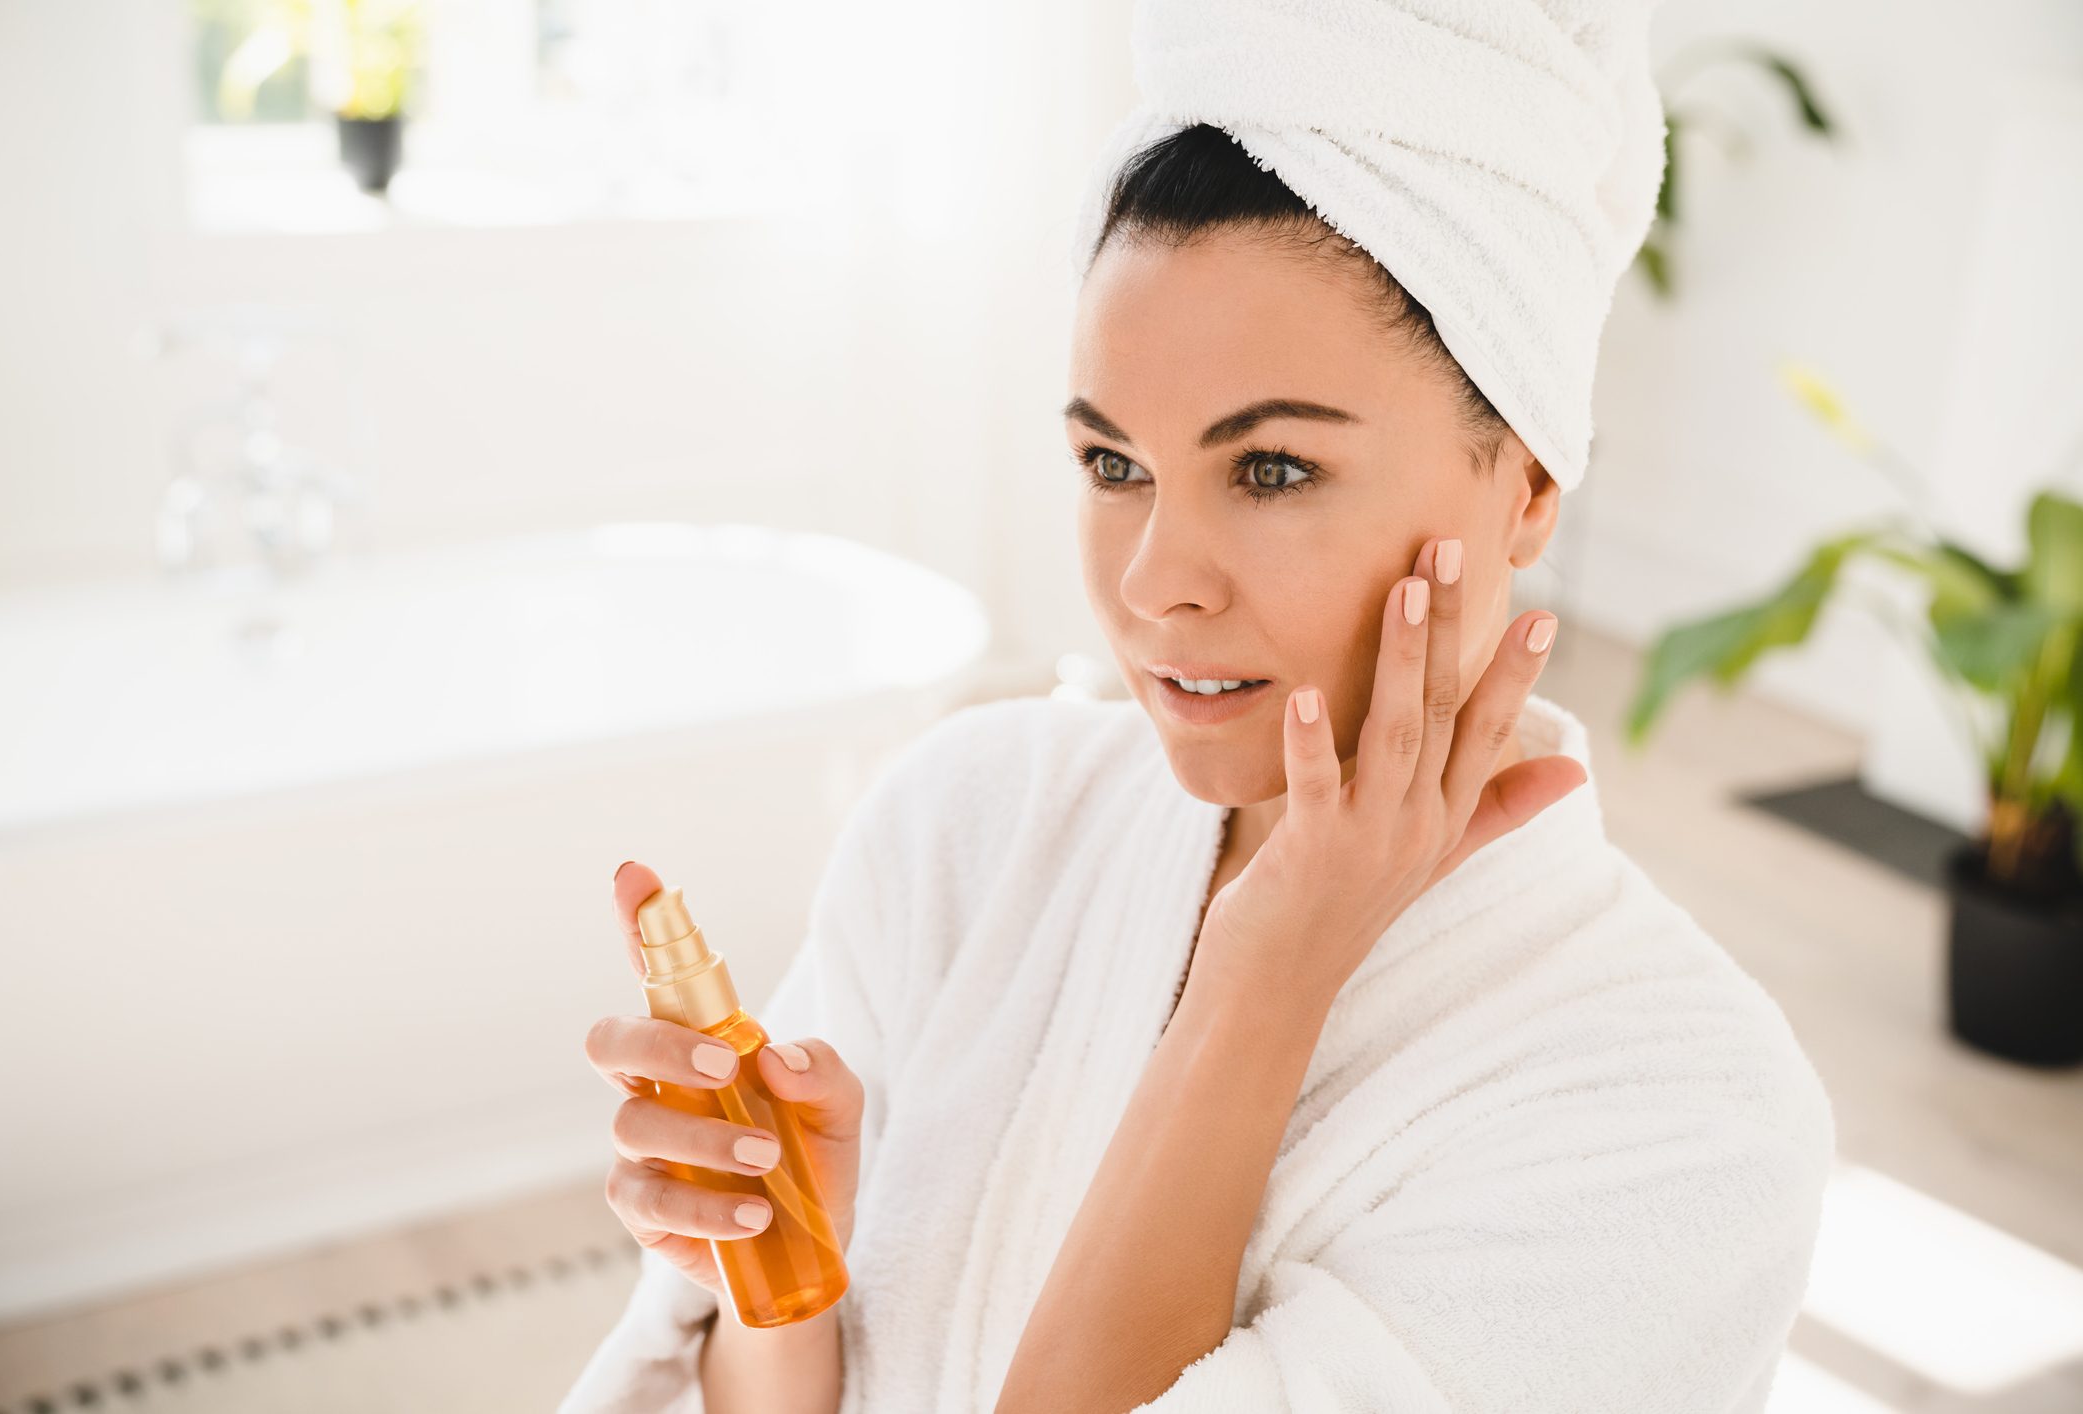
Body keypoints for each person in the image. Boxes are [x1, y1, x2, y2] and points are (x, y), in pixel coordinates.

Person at [557, 118, 1835, 1414]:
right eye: (1114, 464)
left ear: (1530, 481)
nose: (1153, 581)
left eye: (1272, 469)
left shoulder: (1690, 1118)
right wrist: (788, 1289)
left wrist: (1259, 984)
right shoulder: (967, 813)